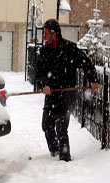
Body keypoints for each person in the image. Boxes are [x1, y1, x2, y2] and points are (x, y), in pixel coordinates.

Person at [35, 19, 99, 162]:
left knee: (61, 128)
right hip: (51, 95)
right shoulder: (44, 52)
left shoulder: (69, 49)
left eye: (46, 33)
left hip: (67, 95)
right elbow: (38, 74)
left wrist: (93, 80)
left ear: (54, 34)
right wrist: (43, 85)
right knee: (46, 126)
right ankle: (55, 151)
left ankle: (65, 160)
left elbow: (86, 62)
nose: (44, 37)